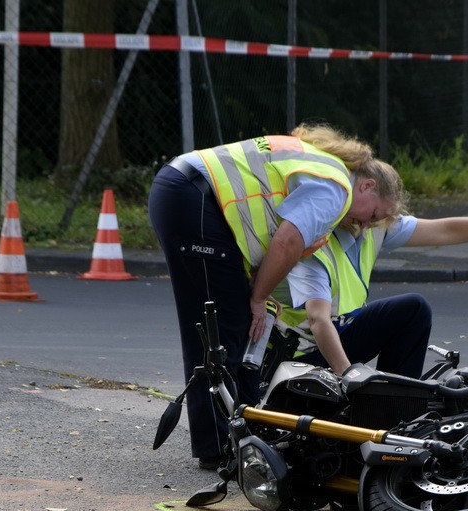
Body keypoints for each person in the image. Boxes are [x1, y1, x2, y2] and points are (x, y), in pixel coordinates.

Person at [148, 124, 403, 469]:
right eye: (372, 214)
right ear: (368, 186)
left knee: (226, 324)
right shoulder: (337, 188)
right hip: (194, 199)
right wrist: (259, 297)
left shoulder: (321, 162)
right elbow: (288, 240)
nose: (364, 224)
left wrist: (258, 294)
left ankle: (240, 435)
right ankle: (220, 448)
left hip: (188, 193)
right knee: (224, 327)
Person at [277, 215, 468, 378]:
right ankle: (382, 409)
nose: (379, 221)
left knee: (412, 310)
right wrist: (351, 378)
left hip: (339, 336)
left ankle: (395, 411)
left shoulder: (374, 224)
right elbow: (317, 319)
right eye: (377, 212)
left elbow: (446, 230)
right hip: (301, 358)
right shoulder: (317, 241)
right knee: (413, 307)